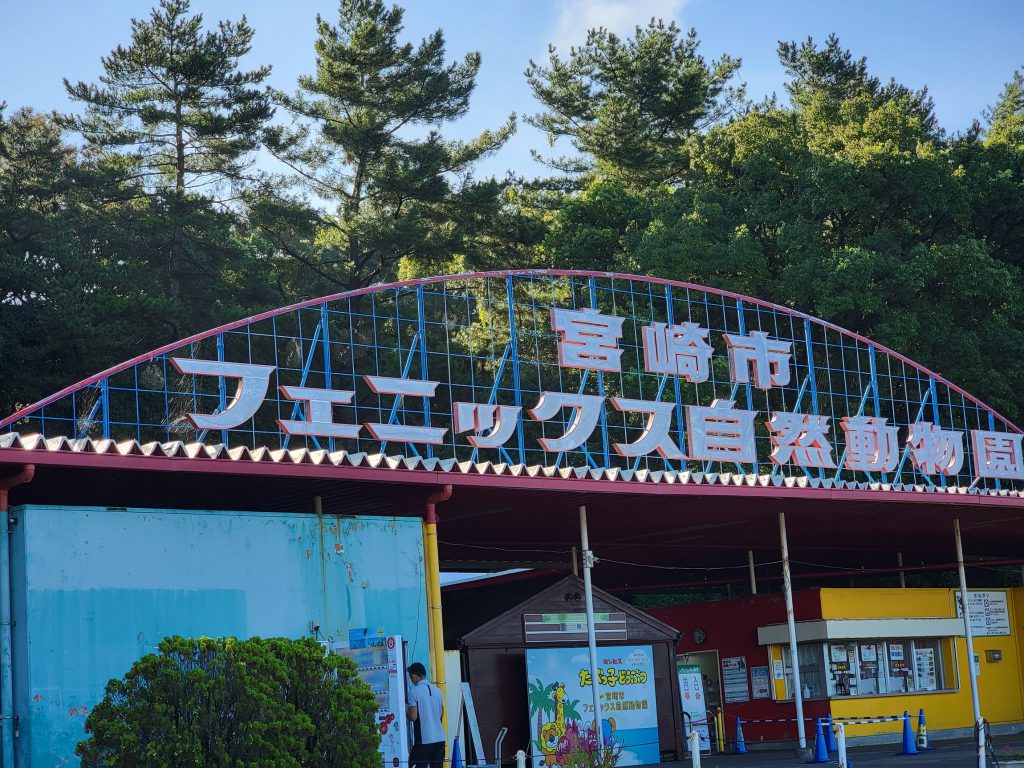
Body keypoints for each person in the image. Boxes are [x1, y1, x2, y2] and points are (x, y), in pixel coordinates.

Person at [407, 662, 445, 768]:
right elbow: (442, 712)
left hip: (424, 740)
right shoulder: (438, 691)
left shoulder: (414, 692)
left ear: (414, 676)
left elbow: (413, 717)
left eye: (411, 677)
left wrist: (406, 712)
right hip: (440, 740)